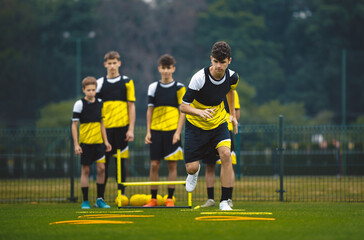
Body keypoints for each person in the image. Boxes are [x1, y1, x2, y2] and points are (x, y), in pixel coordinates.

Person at [180, 41, 239, 211]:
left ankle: (224, 201)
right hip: (196, 125)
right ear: (211, 59)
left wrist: (232, 115)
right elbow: (183, 106)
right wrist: (200, 113)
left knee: (226, 155)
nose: (219, 66)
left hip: (218, 123)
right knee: (192, 167)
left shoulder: (233, 77)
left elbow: (230, 91)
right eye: (215, 61)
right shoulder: (199, 78)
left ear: (229, 61)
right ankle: (193, 174)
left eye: (223, 62)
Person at [143, 54, 186, 207]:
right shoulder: (153, 87)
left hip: (172, 131)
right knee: (154, 164)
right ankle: (153, 199)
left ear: (173, 69)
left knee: (172, 165)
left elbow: (183, 111)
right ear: (159, 69)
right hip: (155, 131)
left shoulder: (180, 87)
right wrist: (148, 131)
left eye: (169, 68)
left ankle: (169, 198)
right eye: (163, 68)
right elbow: (149, 110)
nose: (166, 71)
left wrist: (177, 132)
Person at [96, 51, 136, 197]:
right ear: (105, 64)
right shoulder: (99, 83)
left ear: (119, 63)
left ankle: (121, 195)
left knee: (121, 164)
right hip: (104, 130)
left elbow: (131, 106)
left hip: (122, 128)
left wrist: (131, 129)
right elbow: (96, 108)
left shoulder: (127, 82)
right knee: (103, 165)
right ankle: (100, 198)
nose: (112, 66)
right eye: (109, 63)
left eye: (115, 63)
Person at [71, 76, 112, 209]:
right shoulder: (79, 104)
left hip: (99, 143)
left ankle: (100, 199)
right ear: (83, 90)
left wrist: (106, 141)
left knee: (101, 169)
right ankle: (85, 201)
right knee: (86, 170)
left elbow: (102, 123)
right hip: (86, 143)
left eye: (93, 90)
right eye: (88, 90)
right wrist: (76, 145)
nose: (91, 92)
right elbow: (74, 125)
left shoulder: (100, 103)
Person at [201, 90, 240, 208]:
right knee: (209, 165)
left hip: (225, 131)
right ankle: (210, 199)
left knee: (228, 163)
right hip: (208, 130)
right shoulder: (207, 90)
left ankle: (228, 198)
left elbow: (236, 114)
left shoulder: (232, 92)